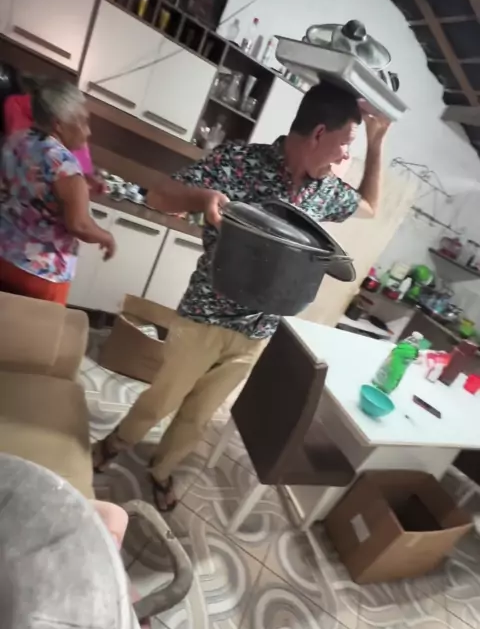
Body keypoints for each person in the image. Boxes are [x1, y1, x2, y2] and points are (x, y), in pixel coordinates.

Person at [94, 81, 391, 510]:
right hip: (206, 315)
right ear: (318, 133)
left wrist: (377, 144)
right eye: (347, 143)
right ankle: (116, 444)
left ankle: (162, 469)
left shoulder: (325, 191)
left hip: (258, 330)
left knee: (201, 413)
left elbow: (370, 206)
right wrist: (204, 197)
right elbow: (159, 194)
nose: (347, 156)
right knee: (163, 398)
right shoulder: (238, 161)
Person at [0, 80, 116, 304]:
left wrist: (81, 185)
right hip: (41, 273)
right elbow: (79, 225)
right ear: (58, 124)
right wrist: (106, 237)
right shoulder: (64, 163)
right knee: (38, 328)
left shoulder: (16, 141)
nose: (88, 131)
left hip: (4, 254)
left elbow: (29, 189)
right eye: (83, 121)